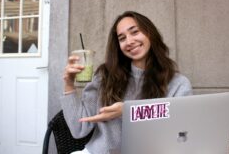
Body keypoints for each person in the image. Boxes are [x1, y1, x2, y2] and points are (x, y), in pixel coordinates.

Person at [61, 11, 192, 154]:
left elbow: (180, 133)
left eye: (135, 32)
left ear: (150, 34)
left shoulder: (178, 84)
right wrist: (69, 84)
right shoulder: (105, 76)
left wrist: (129, 111)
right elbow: (78, 130)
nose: (129, 41)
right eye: (122, 38)